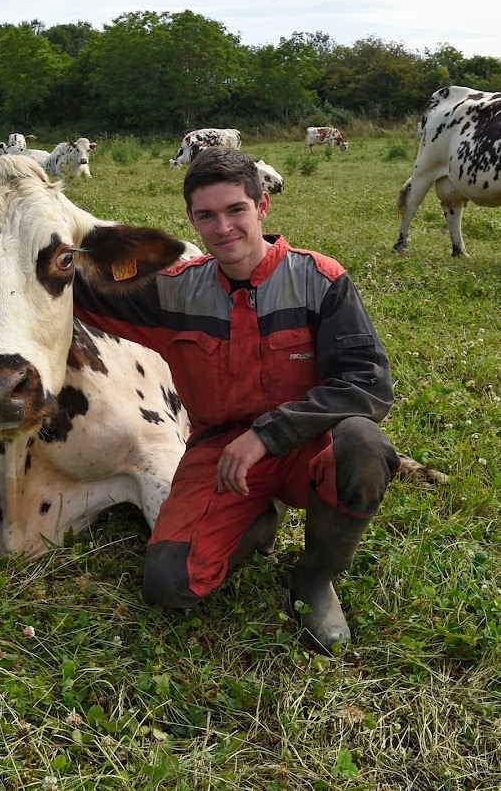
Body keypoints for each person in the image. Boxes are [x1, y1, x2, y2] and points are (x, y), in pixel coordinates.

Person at [73, 147, 400, 654]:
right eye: (207, 216)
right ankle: (256, 517)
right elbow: (82, 290)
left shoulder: (321, 281)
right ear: (191, 220)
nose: (223, 228)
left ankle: (315, 578)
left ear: (262, 206)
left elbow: (366, 384)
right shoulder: (172, 292)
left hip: (308, 444)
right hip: (219, 454)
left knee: (364, 445)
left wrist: (267, 436)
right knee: (169, 584)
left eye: (235, 210)